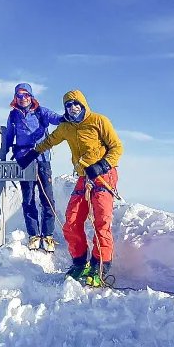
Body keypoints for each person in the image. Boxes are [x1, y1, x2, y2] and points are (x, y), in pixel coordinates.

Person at [16, 89, 123, 286]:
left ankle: (100, 267)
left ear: (83, 104)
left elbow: (117, 147)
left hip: (103, 176)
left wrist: (101, 166)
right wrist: (31, 155)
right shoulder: (66, 127)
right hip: (84, 177)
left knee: (101, 222)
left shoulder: (99, 121)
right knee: (71, 221)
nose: (73, 108)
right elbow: (50, 140)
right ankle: (80, 263)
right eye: (68, 105)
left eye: (76, 104)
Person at [6, 83, 64, 252]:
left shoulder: (40, 111)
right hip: (25, 160)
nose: (23, 98)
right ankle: (33, 235)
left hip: (43, 158)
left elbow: (55, 118)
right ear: (15, 98)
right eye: (19, 95)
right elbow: (9, 136)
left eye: (25, 95)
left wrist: (65, 117)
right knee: (28, 198)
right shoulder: (13, 116)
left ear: (31, 96)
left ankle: (48, 235)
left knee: (47, 197)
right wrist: (3, 152)